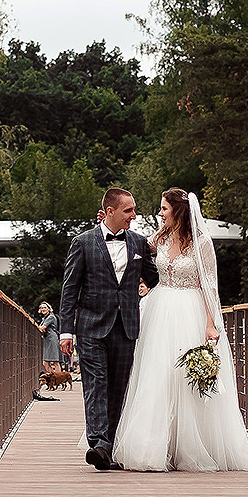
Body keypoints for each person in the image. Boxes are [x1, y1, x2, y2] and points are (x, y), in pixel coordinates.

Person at [108, 188, 248, 473]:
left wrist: (211, 323)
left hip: (191, 310)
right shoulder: (158, 238)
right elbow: (133, 250)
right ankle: (154, 447)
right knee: (157, 376)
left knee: (185, 378)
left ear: (178, 210)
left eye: (164, 208)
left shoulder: (201, 242)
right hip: (159, 311)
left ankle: (189, 446)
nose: (160, 213)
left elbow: (209, 285)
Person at [56, 187, 158, 470]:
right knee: (96, 384)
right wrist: (66, 331)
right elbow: (69, 289)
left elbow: (156, 278)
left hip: (126, 327)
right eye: (128, 210)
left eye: (134, 209)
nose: (134, 215)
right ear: (110, 211)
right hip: (90, 327)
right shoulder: (82, 242)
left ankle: (108, 448)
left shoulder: (139, 243)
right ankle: (99, 443)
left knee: (118, 388)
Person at [35, 301, 63, 399]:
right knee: (45, 363)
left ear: (49, 308)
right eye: (41, 308)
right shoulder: (45, 318)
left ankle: (58, 381)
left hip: (52, 339)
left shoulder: (51, 317)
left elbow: (42, 327)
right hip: (47, 340)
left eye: (45, 307)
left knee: (55, 362)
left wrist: (40, 327)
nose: (43, 309)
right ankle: (53, 380)